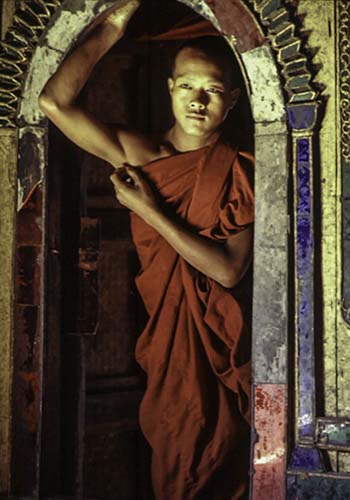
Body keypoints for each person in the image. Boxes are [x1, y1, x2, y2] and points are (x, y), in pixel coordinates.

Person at [39, 1, 254, 498]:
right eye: (188, 87)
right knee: (178, 456)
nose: (198, 101)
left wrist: (148, 209)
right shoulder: (145, 156)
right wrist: (112, 26)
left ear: (235, 100)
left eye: (213, 90)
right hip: (171, 348)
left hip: (224, 346)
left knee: (225, 462)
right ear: (170, 90)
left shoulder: (243, 169)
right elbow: (55, 104)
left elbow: (227, 271)